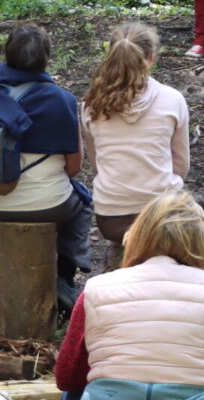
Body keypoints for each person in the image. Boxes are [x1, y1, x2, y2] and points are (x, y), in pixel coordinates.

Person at [54, 192, 204, 400]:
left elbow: (66, 376)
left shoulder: (96, 289)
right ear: (203, 242)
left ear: (138, 235)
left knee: (72, 395)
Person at [0, 25, 91, 308]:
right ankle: (64, 278)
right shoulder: (62, 100)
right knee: (81, 205)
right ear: (47, 61)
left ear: (6, 56)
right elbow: (74, 167)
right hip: (48, 203)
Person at [81, 23, 191, 250]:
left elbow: (97, 165)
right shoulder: (172, 99)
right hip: (162, 216)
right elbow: (181, 166)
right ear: (151, 58)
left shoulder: (90, 104)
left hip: (111, 220)